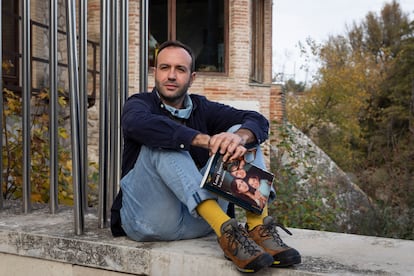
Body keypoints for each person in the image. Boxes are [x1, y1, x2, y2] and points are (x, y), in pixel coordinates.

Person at [110, 40, 301, 273]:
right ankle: (226, 230)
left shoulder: (202, 107)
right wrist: (205, 140)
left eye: (180, 69)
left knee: (241, 136)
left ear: (192, 78)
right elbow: (136, 124)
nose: (171, 75)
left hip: (201, 224)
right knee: (162, 138)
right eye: (164, 68)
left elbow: (257, 119)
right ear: (155, 72)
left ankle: (256, 227)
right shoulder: (139, 104)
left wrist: (239, 138)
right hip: (148, 220)